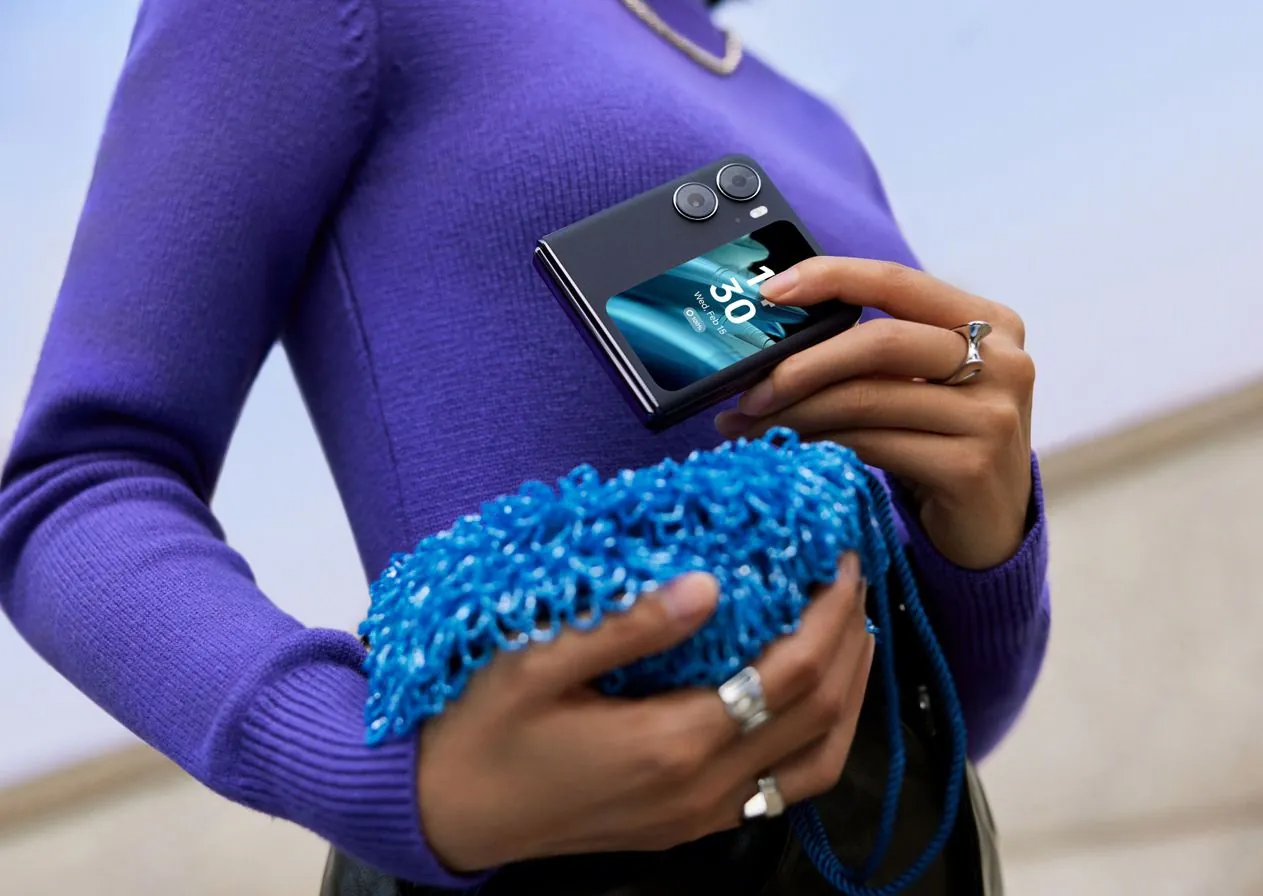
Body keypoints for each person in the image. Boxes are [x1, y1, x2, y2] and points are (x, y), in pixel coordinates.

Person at [0, 0, 1049, 893]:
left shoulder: (812, 116)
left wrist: (989, 529)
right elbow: (75, 484)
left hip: (918, 855)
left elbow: (959, 714)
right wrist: (382, 771)